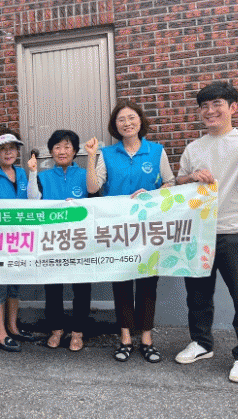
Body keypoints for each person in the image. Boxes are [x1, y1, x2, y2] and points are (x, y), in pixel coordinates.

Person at [174, 82, 238, 383]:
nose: (209, 111)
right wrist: (192, 177)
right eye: (204, 106)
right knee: (198, 296)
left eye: (216, 104)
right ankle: (201, 343)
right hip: (198, 233)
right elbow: (179, 183)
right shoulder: (194, 148)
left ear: (233, 107)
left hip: (234, 232)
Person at [85, 101, 175, 363]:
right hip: (119, 229)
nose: (127, 123)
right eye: (121, 119)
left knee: (148, 283)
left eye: (131, 117)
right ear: (115, 126)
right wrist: (91, 157)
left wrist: (153, 195)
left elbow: (170, 182)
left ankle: (146, 339)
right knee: (122, 282)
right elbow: (92, 188)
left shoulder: (156, 151)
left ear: (140, 121)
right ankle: (125, 338)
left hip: (149, 228)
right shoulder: (107, 154)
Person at [27, 129, 92, 352]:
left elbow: (96, 202)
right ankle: (56, 329)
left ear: (75, 151)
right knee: (53, 287)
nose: (62, 151)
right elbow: (33, 201)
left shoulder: (85, 175)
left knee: (81, 288)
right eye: (57, 147)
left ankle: (78, 332)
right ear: (51, 151)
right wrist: (33, 174)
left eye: (67, 147)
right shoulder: (44, 177)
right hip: (52, 241)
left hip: (80, 241)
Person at [0, 128, 35, 352]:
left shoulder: (22, 173)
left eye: (12, 148)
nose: (8, 153)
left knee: (14, 287)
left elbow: (33, 200)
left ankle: (13, 327)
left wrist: (33, 174)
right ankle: (0, 333)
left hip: (19, 239)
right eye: (3, 149)